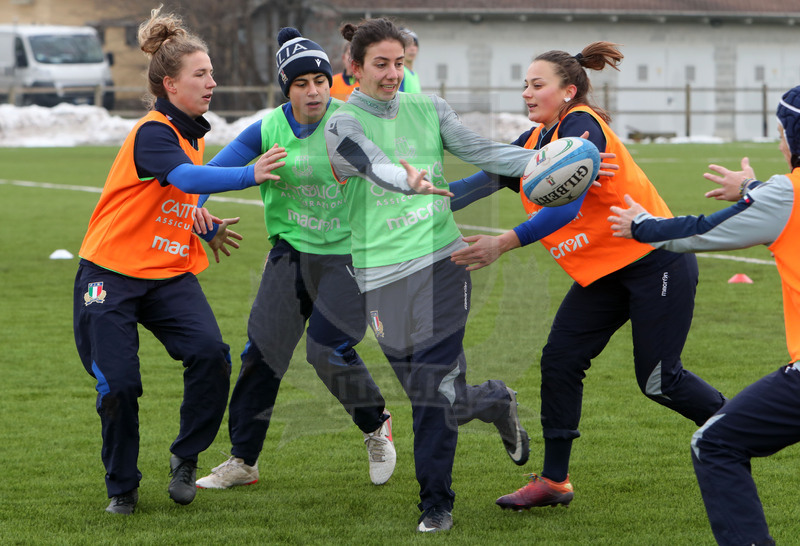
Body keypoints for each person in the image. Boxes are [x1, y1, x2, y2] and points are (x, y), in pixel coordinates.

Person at [446, 42, 727, 510]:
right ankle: (555, 482)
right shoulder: (538, 142)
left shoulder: (581, 125)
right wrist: (420, 198)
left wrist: (504, 242)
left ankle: (744, 425)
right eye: (524, 85)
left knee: (660, 381)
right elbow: (483, 180)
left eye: (537, 85)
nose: (526, 94)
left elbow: (568, 206)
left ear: (568, 91)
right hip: (606, 273)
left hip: (654, 261)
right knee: (559, 360)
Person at [73, 6, 287, 515]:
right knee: (120, 384)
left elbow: (172, 196)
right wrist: (247, 176)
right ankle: (121, 488)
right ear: (171, 85)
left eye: (211, 72)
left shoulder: (192, 134)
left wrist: (198, 221)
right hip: (110, 275)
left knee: (211, 355)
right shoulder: (153, 132)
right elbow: (186, 180)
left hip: (166, 275)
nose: (212, 81)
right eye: (202, 74)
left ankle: (185, 459)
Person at [324, 17, 535, 533]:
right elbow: (371, 163)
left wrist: (542, 159)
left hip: (443, 263)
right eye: (381, 64)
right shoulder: (340, 124)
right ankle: (495, 401)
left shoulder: (429, 107)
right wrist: (408, 180)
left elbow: (480, 150)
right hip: (379, 277)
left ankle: (436, 505)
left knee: (431, 393)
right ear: (354, 68)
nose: (393, 73)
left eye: (399, 63)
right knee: (436, 397)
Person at [194, 27, 396, 490]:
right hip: (290, 255)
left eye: (321, 82)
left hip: (350, 256)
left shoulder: (352, 123)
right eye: (302, 83)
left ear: (331, 83)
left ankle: (375, 425)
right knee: (260, 354)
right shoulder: (268, 128)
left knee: (327, 351)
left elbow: (392, 177)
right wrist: (194, 212)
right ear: (288, 88)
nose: (314, 91)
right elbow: (211, 174)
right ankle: (244, 461)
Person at [607, 86, 800, 546]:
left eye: (781, 134)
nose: (779, 145)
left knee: (715, 443)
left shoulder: (787, 194)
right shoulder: (781, 194)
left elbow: (706, 231)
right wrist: (754, 190)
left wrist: (642, 227)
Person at [398, 28, 421, 93]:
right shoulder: (399, 72)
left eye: (415, 45)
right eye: (408, 45)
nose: (412, 49)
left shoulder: (415, 74)